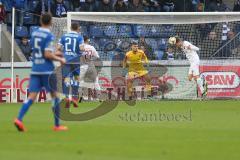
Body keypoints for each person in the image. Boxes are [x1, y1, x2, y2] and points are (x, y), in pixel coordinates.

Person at [14, 13, 67, 132]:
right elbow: (47, 54)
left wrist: (54, 53)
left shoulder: (34, 33)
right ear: (51, 22)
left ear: (41, 21)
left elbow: (40, 50)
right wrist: (60, 58)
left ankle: (19, 119)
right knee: (55, 97)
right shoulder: (49, 35)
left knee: (31, 96)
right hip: (47, 70)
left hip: (35, 69)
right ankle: (57, 125)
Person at [57, 23, 84, 108]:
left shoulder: (64, 36)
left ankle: (66, 98)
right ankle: (75, 99)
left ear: (70, 27)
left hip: (66, 61)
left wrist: (64, 52)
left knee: (66, 79)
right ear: (78, 28)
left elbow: (58, 48)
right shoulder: (80, 37)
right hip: (76, 61)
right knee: (76, 78)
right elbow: (81, 48)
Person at [79, 36, 101, 101]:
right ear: (87, 40)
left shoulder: (79, 48)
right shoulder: (91, 47)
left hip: (82, 66)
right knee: (96, 81)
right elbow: (97, 56)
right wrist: (91, 60)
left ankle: (80, 96)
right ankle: (99, 97)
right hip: (91, 66)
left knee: (81, 82)